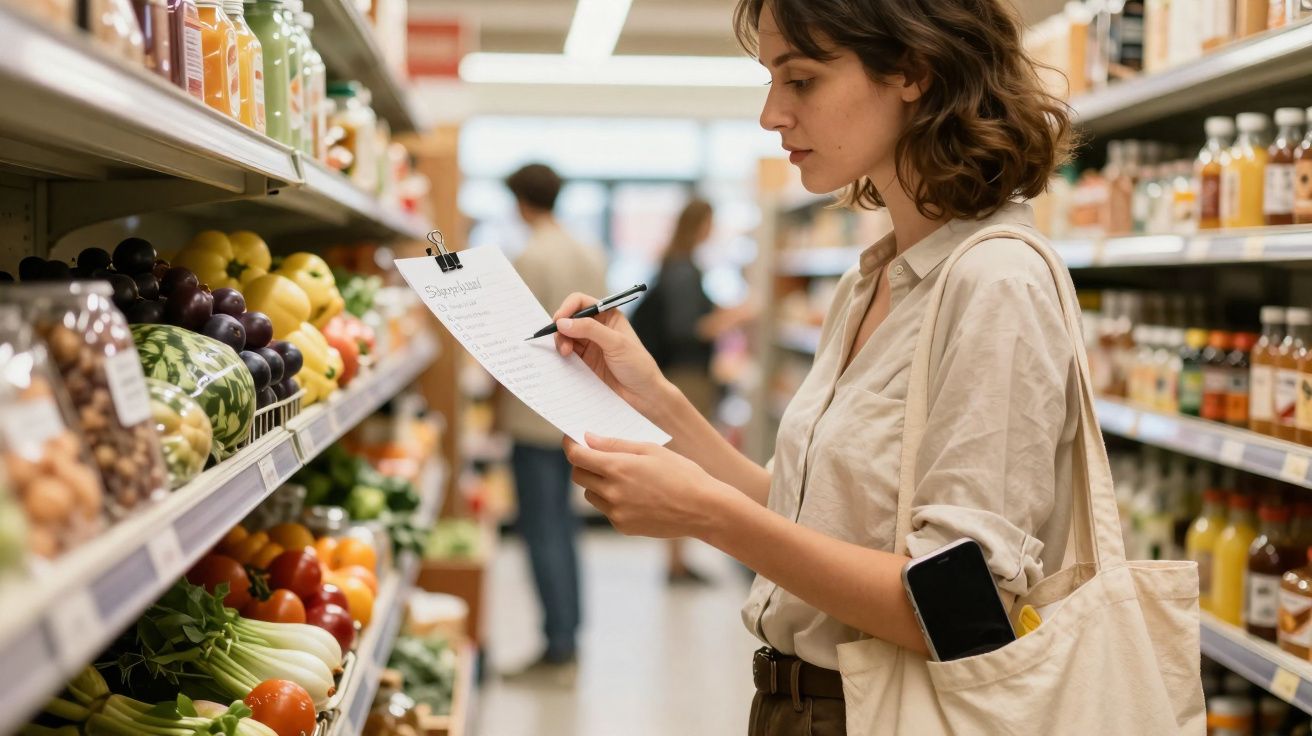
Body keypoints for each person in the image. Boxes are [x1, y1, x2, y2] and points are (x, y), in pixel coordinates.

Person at [550, 0, 1084, 732]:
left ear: (914, 72)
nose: (771, 115)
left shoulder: (995, 284)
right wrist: (653, 396)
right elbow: (799, 512)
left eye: (800, 80)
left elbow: (964, 609)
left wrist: (706, 516)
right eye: (771, 81)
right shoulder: (871, 281)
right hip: (794, 706)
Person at [496, 162, 607, 683]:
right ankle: (569, 638)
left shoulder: (529, 257)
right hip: (580, 410)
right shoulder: (590, 252)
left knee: (541, 530)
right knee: (564, 527)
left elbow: (512, 343)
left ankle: (557, 646)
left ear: (521, 202)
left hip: (533, 413)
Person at [633, 198, 751, 584]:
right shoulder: (684, 269)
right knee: (685, 463)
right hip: (687, 377)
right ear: (699, 224)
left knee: (679, 461)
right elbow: (688, 328)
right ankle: (676, 563)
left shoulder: (675, 264)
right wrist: (735, 317)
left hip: (678, 373)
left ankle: (678, 560)